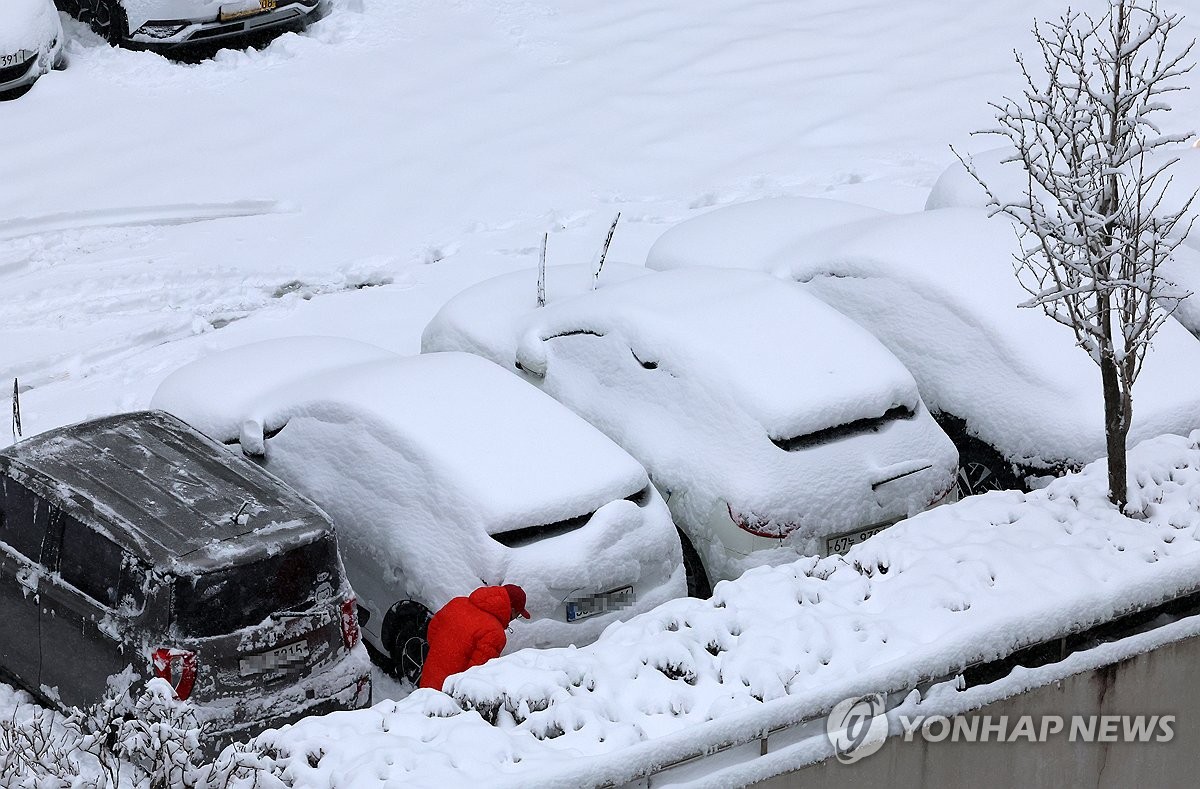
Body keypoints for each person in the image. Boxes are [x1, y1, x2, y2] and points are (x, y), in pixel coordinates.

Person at [418, 584, 531, 692]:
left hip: (427, 681)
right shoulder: (495, 633)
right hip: (448, 695)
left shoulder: (458, 603)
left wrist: (444, 655)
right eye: (518, 615)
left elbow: (432, 630)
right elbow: (475, 674)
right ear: (513, 610)